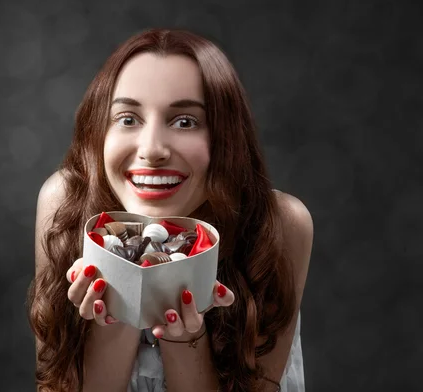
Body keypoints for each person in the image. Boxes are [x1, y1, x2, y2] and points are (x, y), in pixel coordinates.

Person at [27, 28, 313, 392]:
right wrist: (117, 315)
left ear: (227, 138)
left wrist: (185, 340)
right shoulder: (65, 204)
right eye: (128, 118)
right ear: (99, 129)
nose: (152, 150)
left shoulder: (280, 223)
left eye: (185, 122)